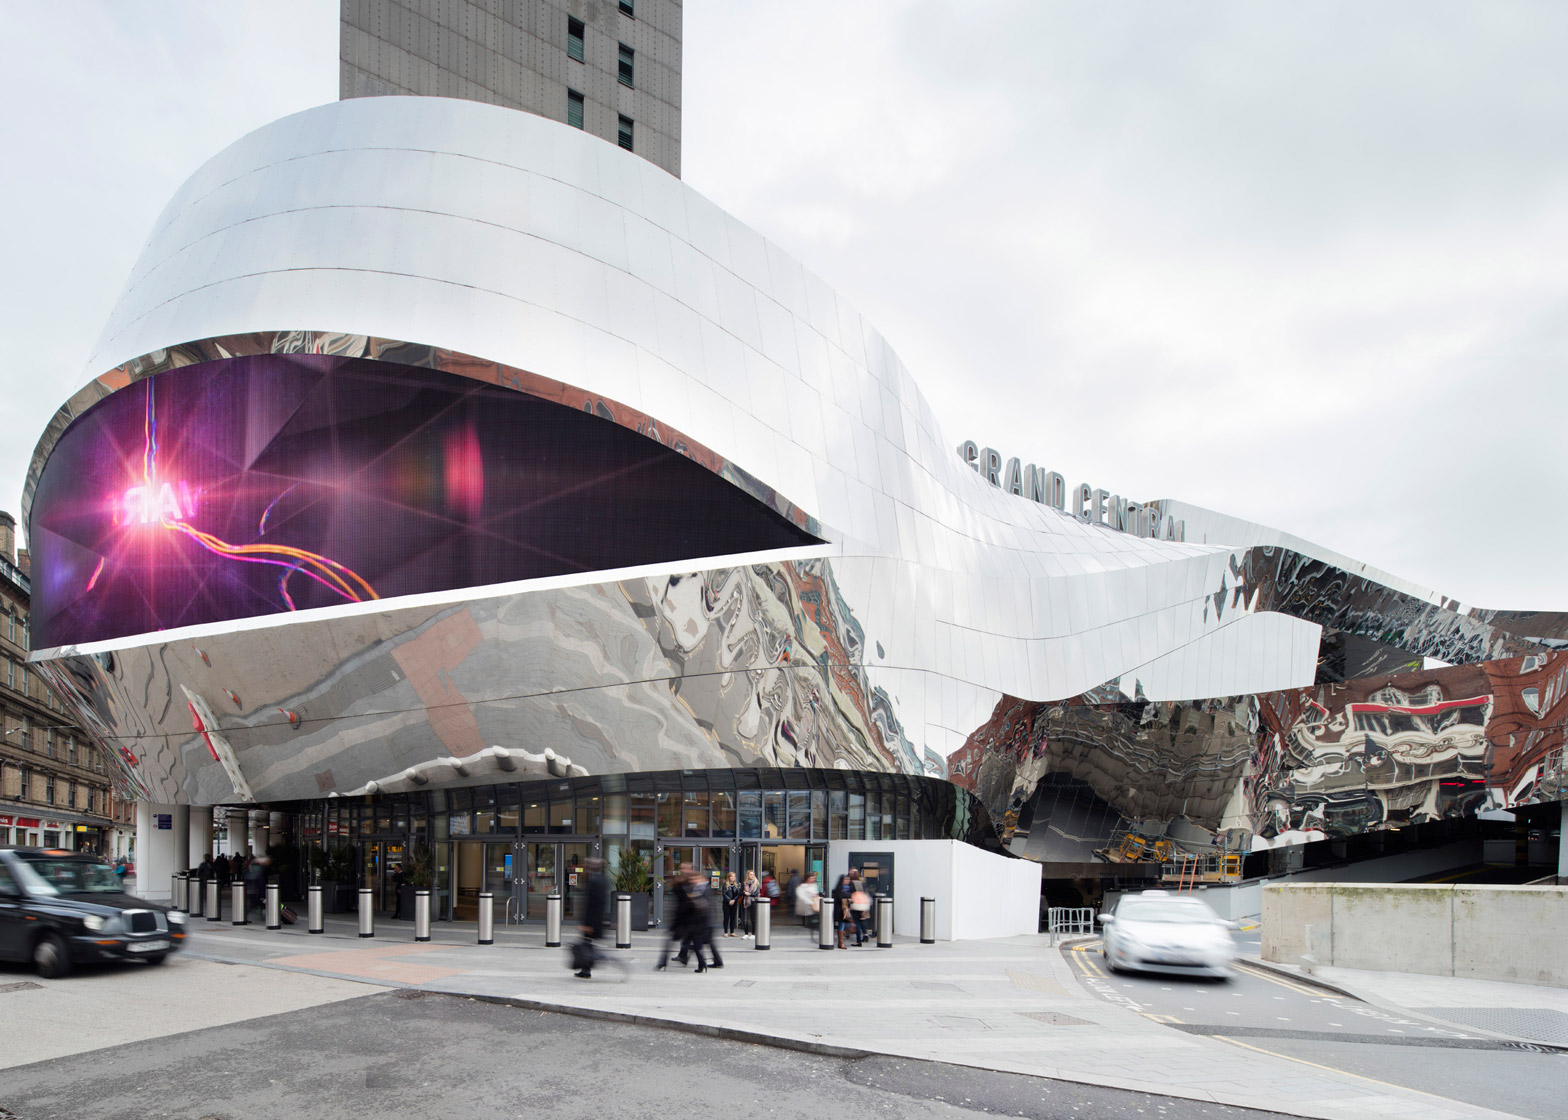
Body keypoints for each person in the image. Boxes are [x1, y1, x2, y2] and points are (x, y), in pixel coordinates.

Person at [574, 856, 609, 979]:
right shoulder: (602, 879)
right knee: (587, 944)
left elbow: (591, 904)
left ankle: (587, 968)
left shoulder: (594, 881)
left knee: (587, 944)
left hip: (592, 921)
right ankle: (585, 969)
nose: (584, 867)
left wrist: (587, 923)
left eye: (586, 865)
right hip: (596, 920)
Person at [739, 869, 761, 937]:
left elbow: (756, 894)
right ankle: (746, 933)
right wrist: (744, 893)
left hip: (753, 902)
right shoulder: (744, 883)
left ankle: (753, 934)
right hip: (745, 902)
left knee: (753, 918)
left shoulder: (756, 883)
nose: (752, 875)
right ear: (748, 875)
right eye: (750, 874)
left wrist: (748, 894)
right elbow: (740, 892)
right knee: (745, 919)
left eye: (753, 874)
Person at [721, 871, 741, 937]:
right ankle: (725, 932)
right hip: (726, 903)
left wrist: (734, 900)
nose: (733, 877)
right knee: (726, 917)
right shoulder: (725, 884)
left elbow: (738, 894)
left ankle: (732, 932)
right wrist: (729, 900)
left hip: (734, 903)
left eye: (734, 876)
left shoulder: (736, 885)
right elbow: (724, 893)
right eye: (732, 876)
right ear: (729, 877)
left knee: (733, 918)